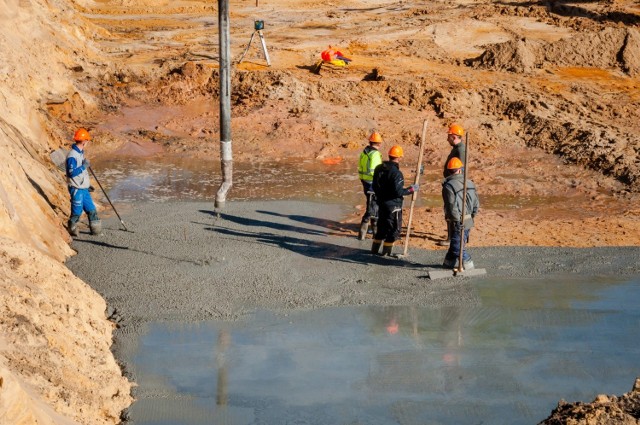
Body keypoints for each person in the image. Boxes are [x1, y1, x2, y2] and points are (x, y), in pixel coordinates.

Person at [371, 145, 418, 256]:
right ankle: (386, 253)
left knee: (382, 227)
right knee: (394, 229)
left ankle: (374, 250)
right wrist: (410, 189)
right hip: (393, 206)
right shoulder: (396, 173)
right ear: (399, 157)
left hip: (381, 203)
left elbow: (375, 185)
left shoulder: (379, 168)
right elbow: (398, 192)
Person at [442, 157, 479, 270]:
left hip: (457, 220)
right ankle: (448, 263)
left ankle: (468, 264)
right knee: (457, 242)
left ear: (449, 171)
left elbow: (451, 206)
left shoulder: (448, 186)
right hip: (468, 219)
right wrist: (472, 216)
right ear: (460, 170)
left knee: (457, 246)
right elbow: (476, 203)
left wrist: (456, 221)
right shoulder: (470, 183)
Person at [66, 128, 102, 237]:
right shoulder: (72, 156)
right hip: (76, 189)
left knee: (92, 210)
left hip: (83, 188)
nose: (87, 142)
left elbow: (82, 174)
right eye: (87, 140)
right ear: (84, 141)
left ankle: (96, 232)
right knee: (77, 212)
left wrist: (87, 184)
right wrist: (83, 166)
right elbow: (71, 173)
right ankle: (72, 230)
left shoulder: (80, 153)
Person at [438, 123, 467, 246]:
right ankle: (451, 236)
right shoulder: (457, 148)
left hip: (455, 183)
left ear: (454, 136)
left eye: (449, 136)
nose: (447, 138)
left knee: (451, 209)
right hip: (452, 181)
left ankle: (451, 238)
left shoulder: (460, 150)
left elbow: (461, 168)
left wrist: (455, 183)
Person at [357, 131, 383, 240]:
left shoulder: (364, 152)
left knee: (371, 204)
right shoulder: (375, 154)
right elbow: (375, 170)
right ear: (379, 143)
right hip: (373, 182)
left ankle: (370, 232)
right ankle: (369, 233)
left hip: (365, 181)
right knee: (373, 207)